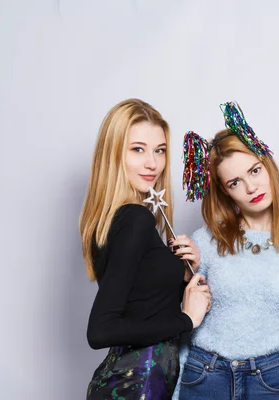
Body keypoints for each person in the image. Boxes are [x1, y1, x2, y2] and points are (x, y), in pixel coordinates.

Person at [173, 102, 279, 400]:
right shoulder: (204, 241)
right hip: (205, 377)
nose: (251, 187)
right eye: (235, 182)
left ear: (267, 164)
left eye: (254, 170)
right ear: (225, 192)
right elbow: (185, 329)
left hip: (272, 383)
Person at [79, 98, 210, 400]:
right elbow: (101, 331)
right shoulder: (135, 218)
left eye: (159, 150)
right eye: (138, 149)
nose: (152, 163)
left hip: (135, 381)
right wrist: (187, 320)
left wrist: (185, 275)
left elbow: (142, 305)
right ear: (113, 154)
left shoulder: (116, 220)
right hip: (136, 385)